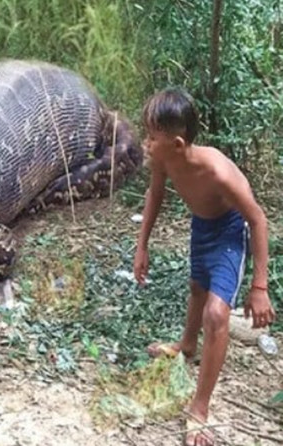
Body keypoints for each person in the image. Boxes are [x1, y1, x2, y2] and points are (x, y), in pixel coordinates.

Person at [133, 87, 276, 446]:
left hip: (230, 232)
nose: (146, 144)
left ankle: (199, 408)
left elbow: (258, 220)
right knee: (197, 287)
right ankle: (186, 346)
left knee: (216, 313)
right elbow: (156, 192)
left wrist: (259, 287)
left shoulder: (217, 174)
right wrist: (142, 245)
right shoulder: (163, 160)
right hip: (202, 227)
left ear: (178, 144)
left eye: (152, 138)